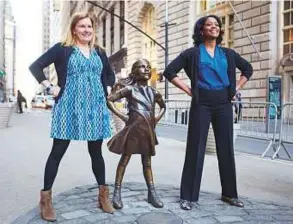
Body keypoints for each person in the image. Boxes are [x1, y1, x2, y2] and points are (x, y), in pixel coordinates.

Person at [29, 12, 115, 221]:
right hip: (69, 105)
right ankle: (46, 199)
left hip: (95, 107)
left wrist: (108, 88)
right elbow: (36, 66)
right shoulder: (63, 49)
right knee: (58, 151)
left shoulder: (99, 51)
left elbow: (109, 74)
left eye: (89, 27)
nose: (86, 30)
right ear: (74, 29)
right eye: (82, 26)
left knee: (96, 152)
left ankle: (103, 195)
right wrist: (50, 87)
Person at [163, 15, 253, 210]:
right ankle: (188, 196)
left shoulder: (228, 54)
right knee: (196, 149)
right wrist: (188, 90)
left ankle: (230, 194)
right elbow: (169, 71)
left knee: (226, 149)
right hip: (201, 104)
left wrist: (237, 87)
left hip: (223, 103)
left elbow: (248, 68)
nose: (214, 27)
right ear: (201, 30)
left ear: (220, 31)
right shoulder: (192, 53)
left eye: (217, 25)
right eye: (209, 25)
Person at [107, 59, 166, 209]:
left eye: (148, 67)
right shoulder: (129, 90)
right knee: (124, 160)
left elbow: (163, 107)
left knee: (147, 163)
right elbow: (109, 100)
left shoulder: (154, 92)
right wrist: (123, 116)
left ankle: (152, 193)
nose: (146, 69)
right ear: (134, 72)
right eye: (142, 67)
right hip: (133, 130)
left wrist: (155, 119)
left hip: (147, 131)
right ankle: (117, 192)